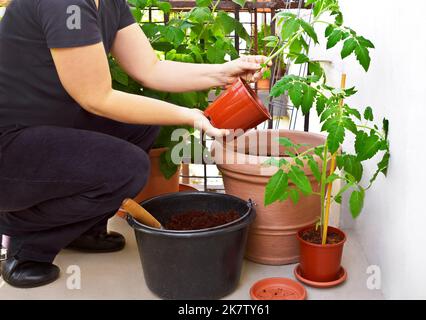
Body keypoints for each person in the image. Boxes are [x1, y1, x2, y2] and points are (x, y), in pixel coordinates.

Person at [0, 0, 267, 288]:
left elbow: (149, 67)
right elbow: (96, 97)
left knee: (139, 128)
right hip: (10, 147)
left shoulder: (110, 3)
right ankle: (26, 241)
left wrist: (222, 72)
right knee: (126, 167)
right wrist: (189, 116)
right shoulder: (66, 5)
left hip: (45, 131)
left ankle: (81, 230)